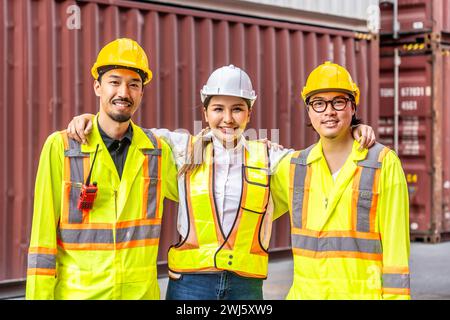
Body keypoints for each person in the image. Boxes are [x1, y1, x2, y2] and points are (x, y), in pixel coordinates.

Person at [66, 64, 376, 300]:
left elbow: (318, 159)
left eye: (237, 109)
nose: (227, 119)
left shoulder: (270, 158)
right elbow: (126, 131)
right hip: (190, 285)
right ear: (204, 112)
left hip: (246, 287)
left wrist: (353, 133)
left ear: (249, 114)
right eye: (218, 109)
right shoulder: (180, 149)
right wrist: (89, 121)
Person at [26, 38, 179, 299]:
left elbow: (201, 192)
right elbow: (42, 240)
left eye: (134, 84)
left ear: (142, 92)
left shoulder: (158, 151)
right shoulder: (62, 147)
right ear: (98, 87)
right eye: (114, 82)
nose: (124, 92)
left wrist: (250, 147)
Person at [271, 61, 410, 299]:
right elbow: (244, 211)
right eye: (319, 103)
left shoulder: (383, 163)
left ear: (353, 107)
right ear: (308, 110)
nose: (329, 111)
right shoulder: (293, 167)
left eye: (338, 101)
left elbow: (397, 250)